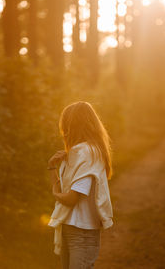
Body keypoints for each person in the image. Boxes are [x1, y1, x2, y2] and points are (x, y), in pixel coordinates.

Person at [47, 101, 114, 269]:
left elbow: (70, 198)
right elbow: (64, 191)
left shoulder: (87, 152)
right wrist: (51, 167)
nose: (64, 132)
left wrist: (56, 195)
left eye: (65, 126)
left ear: (72, 125)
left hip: (82, 230)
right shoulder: (81, 152)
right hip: (70, 227)